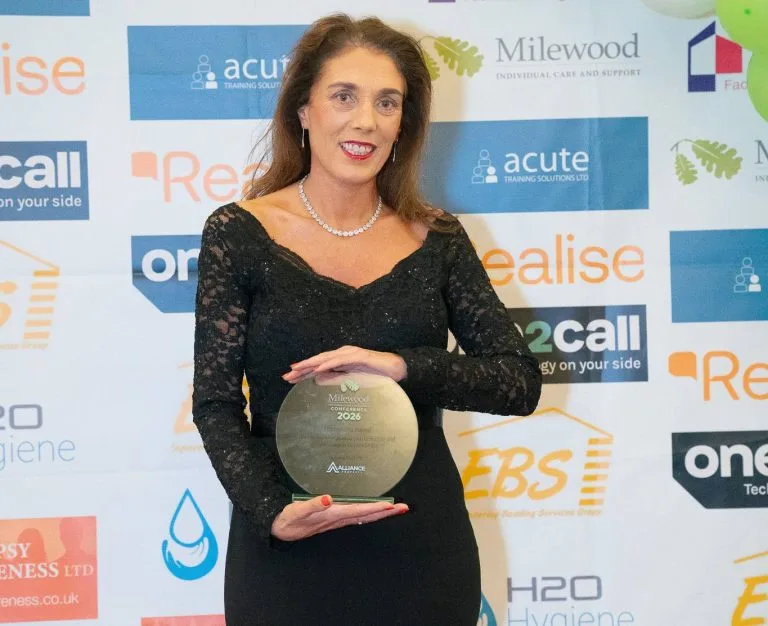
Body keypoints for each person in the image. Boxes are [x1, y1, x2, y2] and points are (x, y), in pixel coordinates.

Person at [192, 13, 542, 625]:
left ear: (403, 123)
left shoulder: (438, 239)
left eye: (387, 102)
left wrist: (403, 365)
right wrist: (272, 510)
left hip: (420, 547)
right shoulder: (238, 233)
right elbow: (216, 403)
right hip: (289, 548)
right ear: (304, 110)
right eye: (344, 96)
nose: (366, 121)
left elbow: (519, 383)